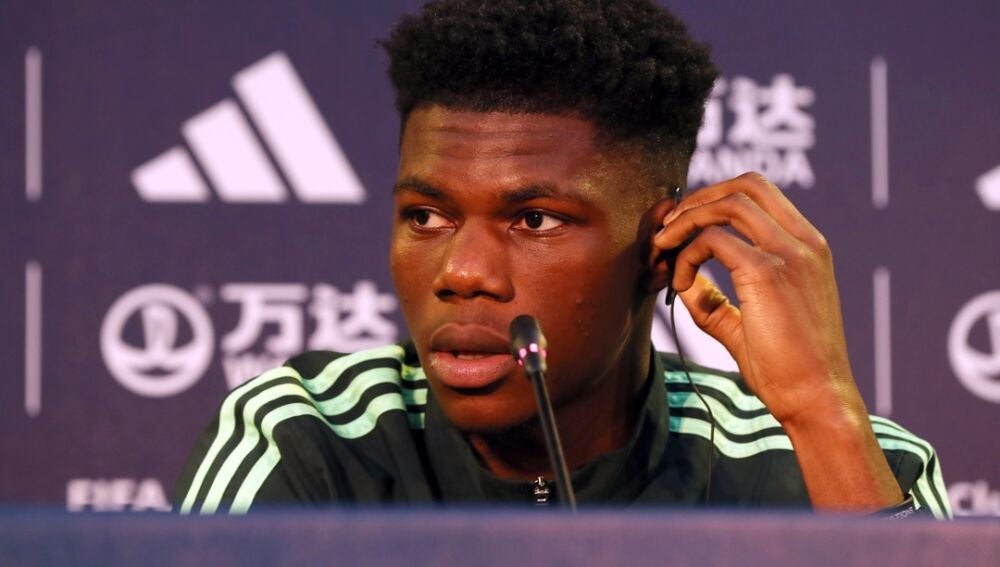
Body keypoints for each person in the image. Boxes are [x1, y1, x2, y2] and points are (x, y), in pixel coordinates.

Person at [174, 0, 950, 517]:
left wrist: (821, 411)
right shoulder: (308, 441)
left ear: (662, 247)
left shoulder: (827, 464)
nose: (461, 272)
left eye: (534, 219)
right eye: (427, 215)